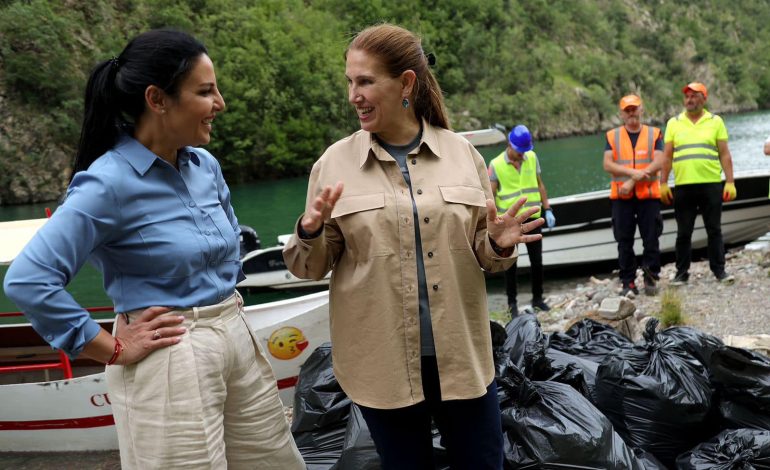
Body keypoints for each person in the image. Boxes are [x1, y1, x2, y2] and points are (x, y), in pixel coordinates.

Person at [3, 30, 303, 469]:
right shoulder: (106, 183)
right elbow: (29, 279)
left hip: (236, 333)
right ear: (157, 100)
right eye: (205, 91)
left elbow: (227, 248)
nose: (220, 102)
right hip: (172, 353)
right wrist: (111, 348)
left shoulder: (205, 165)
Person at [283, 23, 544, 470]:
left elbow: (485, 255)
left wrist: (498, 244)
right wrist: (308, 231)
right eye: (349, 82)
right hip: (379, 365)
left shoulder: (463, 155)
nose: (353, 95)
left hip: (462, 358)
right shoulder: (334, 164)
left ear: (405, 83)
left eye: (365, 81)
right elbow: (310, 269)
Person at [660, 82, 736, 285]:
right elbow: (667, 157)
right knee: (684, 232)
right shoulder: (673, 123)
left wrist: (730, 182)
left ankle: (719, 271)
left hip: (711, 184)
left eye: (694, 96)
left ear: (704, 98)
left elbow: (724, 154)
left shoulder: (715, 121)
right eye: (687, 96)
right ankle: (681, 273)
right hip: (684, 186)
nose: (689, 100)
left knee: (714, 230)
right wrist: (663, 183)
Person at [488, 124, 555, 313]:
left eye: (525, 150)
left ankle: (538, 299)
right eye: (520, 151)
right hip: (509, 223)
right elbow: (490, 196)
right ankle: (512, 305)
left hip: (533, 218)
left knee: (537, 261)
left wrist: (548, 209)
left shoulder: (532, 157)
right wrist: (494, 221)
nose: (522, 154)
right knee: (510, 264)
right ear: (510, 144)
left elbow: (540, 185)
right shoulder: (496, 165)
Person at [603, 94, 664, 296]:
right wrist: (632, 173)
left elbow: (659, 162)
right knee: (624, 240)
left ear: (641, 109)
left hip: (648, 197)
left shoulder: (654, 134)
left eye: (634, 108)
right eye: (627, 110)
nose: (631, 113)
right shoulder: (612, 136)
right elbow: (608, 164)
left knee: (651, 238)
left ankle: (651, 277)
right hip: (622, 199)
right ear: (621, 114)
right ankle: (628, 281)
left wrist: (632, 181)